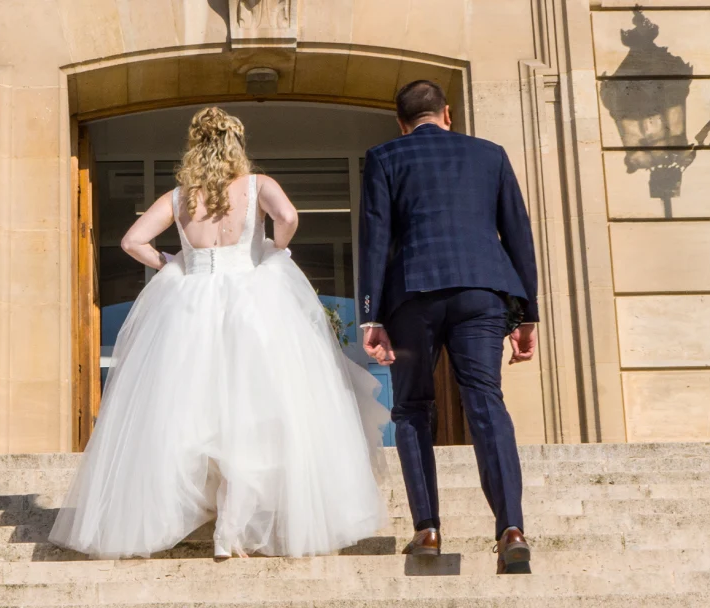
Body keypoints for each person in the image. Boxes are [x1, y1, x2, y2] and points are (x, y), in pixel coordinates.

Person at [50, 107, 389, 560]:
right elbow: (287, 216)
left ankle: (203, 516)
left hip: (191, 302)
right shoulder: (257, 186)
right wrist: (276, 246)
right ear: (236, 145)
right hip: (252, 299)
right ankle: (232, 529)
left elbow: (132, 241)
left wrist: (170, 264)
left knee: (193, 413)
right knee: (256, 412)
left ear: (195, 147)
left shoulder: (178, 197)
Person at [358, 80, 540, 574]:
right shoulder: (491, 155)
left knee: (414, 408)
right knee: (485, 402)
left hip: (413, 296)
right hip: (483, 292)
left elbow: (375, 240)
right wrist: (529, 314)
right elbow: (518, 234)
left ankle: (428, 529)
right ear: (448, 113)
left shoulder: (384, 157)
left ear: (401, 122)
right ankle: (511, 528)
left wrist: (370, 314)